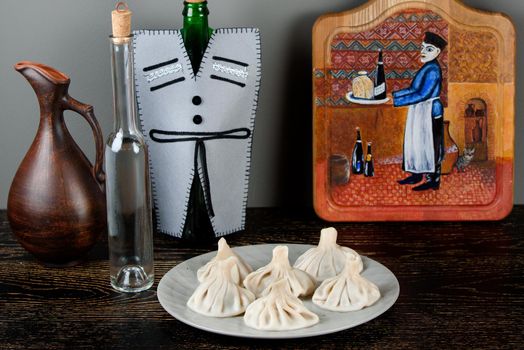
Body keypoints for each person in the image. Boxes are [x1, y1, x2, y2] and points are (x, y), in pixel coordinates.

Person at [392, 31, 447, 191]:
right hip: (418, 110)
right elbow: (413, 89)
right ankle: (416, 174)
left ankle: (433, 180)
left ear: (438, 52)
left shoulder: (433, 70)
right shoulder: (427, 67)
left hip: (429, 111)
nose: (423, 52)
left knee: (430, 145)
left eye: (429, 49)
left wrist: (396, 101)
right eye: (422, 48)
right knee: (416, 142)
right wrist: (393, 95)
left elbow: (423, 94)